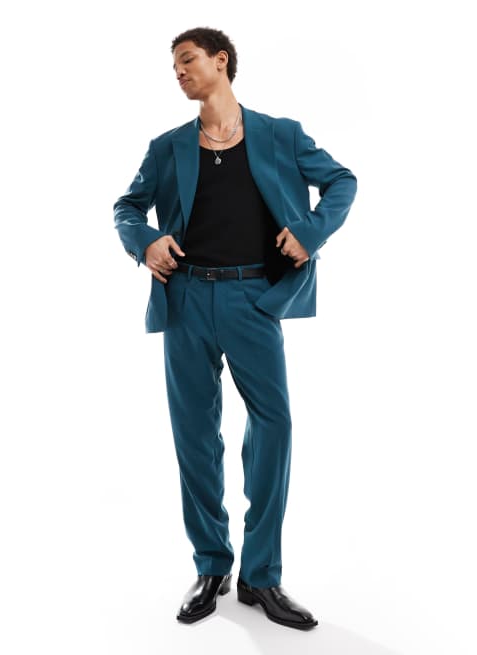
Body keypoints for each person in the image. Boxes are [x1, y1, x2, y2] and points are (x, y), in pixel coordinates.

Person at [113, 26, 357, 630]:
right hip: (187, 299)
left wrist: (312, 232)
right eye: (174, 66)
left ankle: (261, 575)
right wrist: (145, 242)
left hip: (255, 299)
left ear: (221, 61)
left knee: (273, 427)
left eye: (187, 60)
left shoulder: (280, 134)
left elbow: (342, 181)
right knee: (195, 435)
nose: (178, 72)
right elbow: (126, 207)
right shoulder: (168, 147)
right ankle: (211, 565)